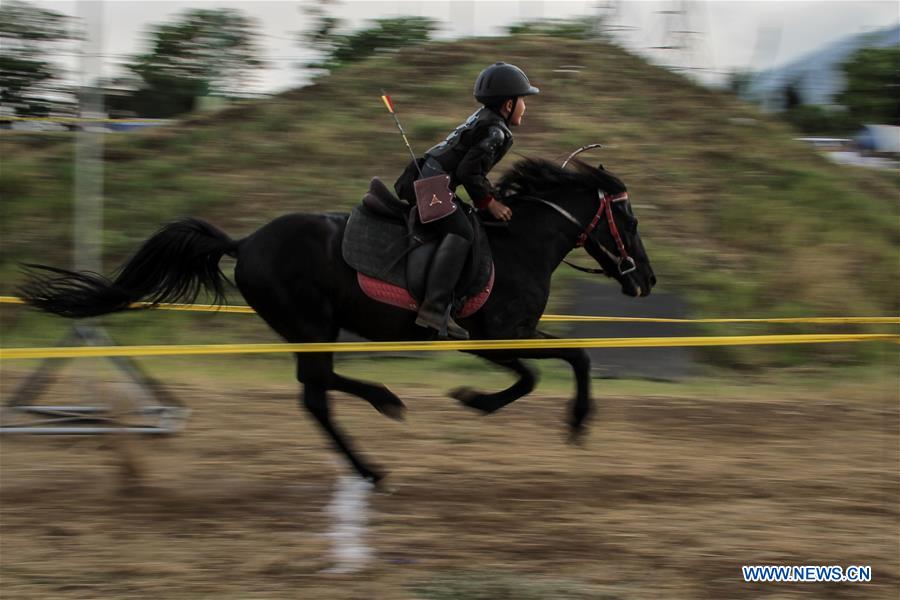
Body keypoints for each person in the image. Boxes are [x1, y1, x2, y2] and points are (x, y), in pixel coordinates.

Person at [394, 62, 539, 340]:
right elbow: (468, 173)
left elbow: (472, 171)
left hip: (428, 178)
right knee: (462, 231)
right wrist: (489, 202)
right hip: (430, 185)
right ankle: (434, 309)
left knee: (469, 221)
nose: (525, 107)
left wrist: (489, 195)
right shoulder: (496, 131)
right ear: (509, 105)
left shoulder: (485, 119)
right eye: (523, 100)